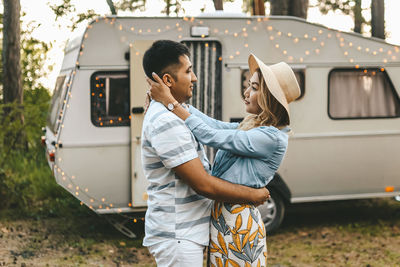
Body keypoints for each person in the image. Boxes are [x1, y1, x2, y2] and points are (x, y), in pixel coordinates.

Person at [148, 53, 301, 267]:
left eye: (255, 88)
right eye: (249, 85)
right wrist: (172, 101)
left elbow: (212, 136)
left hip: (239, 223)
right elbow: (213, 125)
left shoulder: (271, 137)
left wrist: (172, 104)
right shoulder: (253, 126)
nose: (246, 92)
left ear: (269, 97)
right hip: (223, 218)